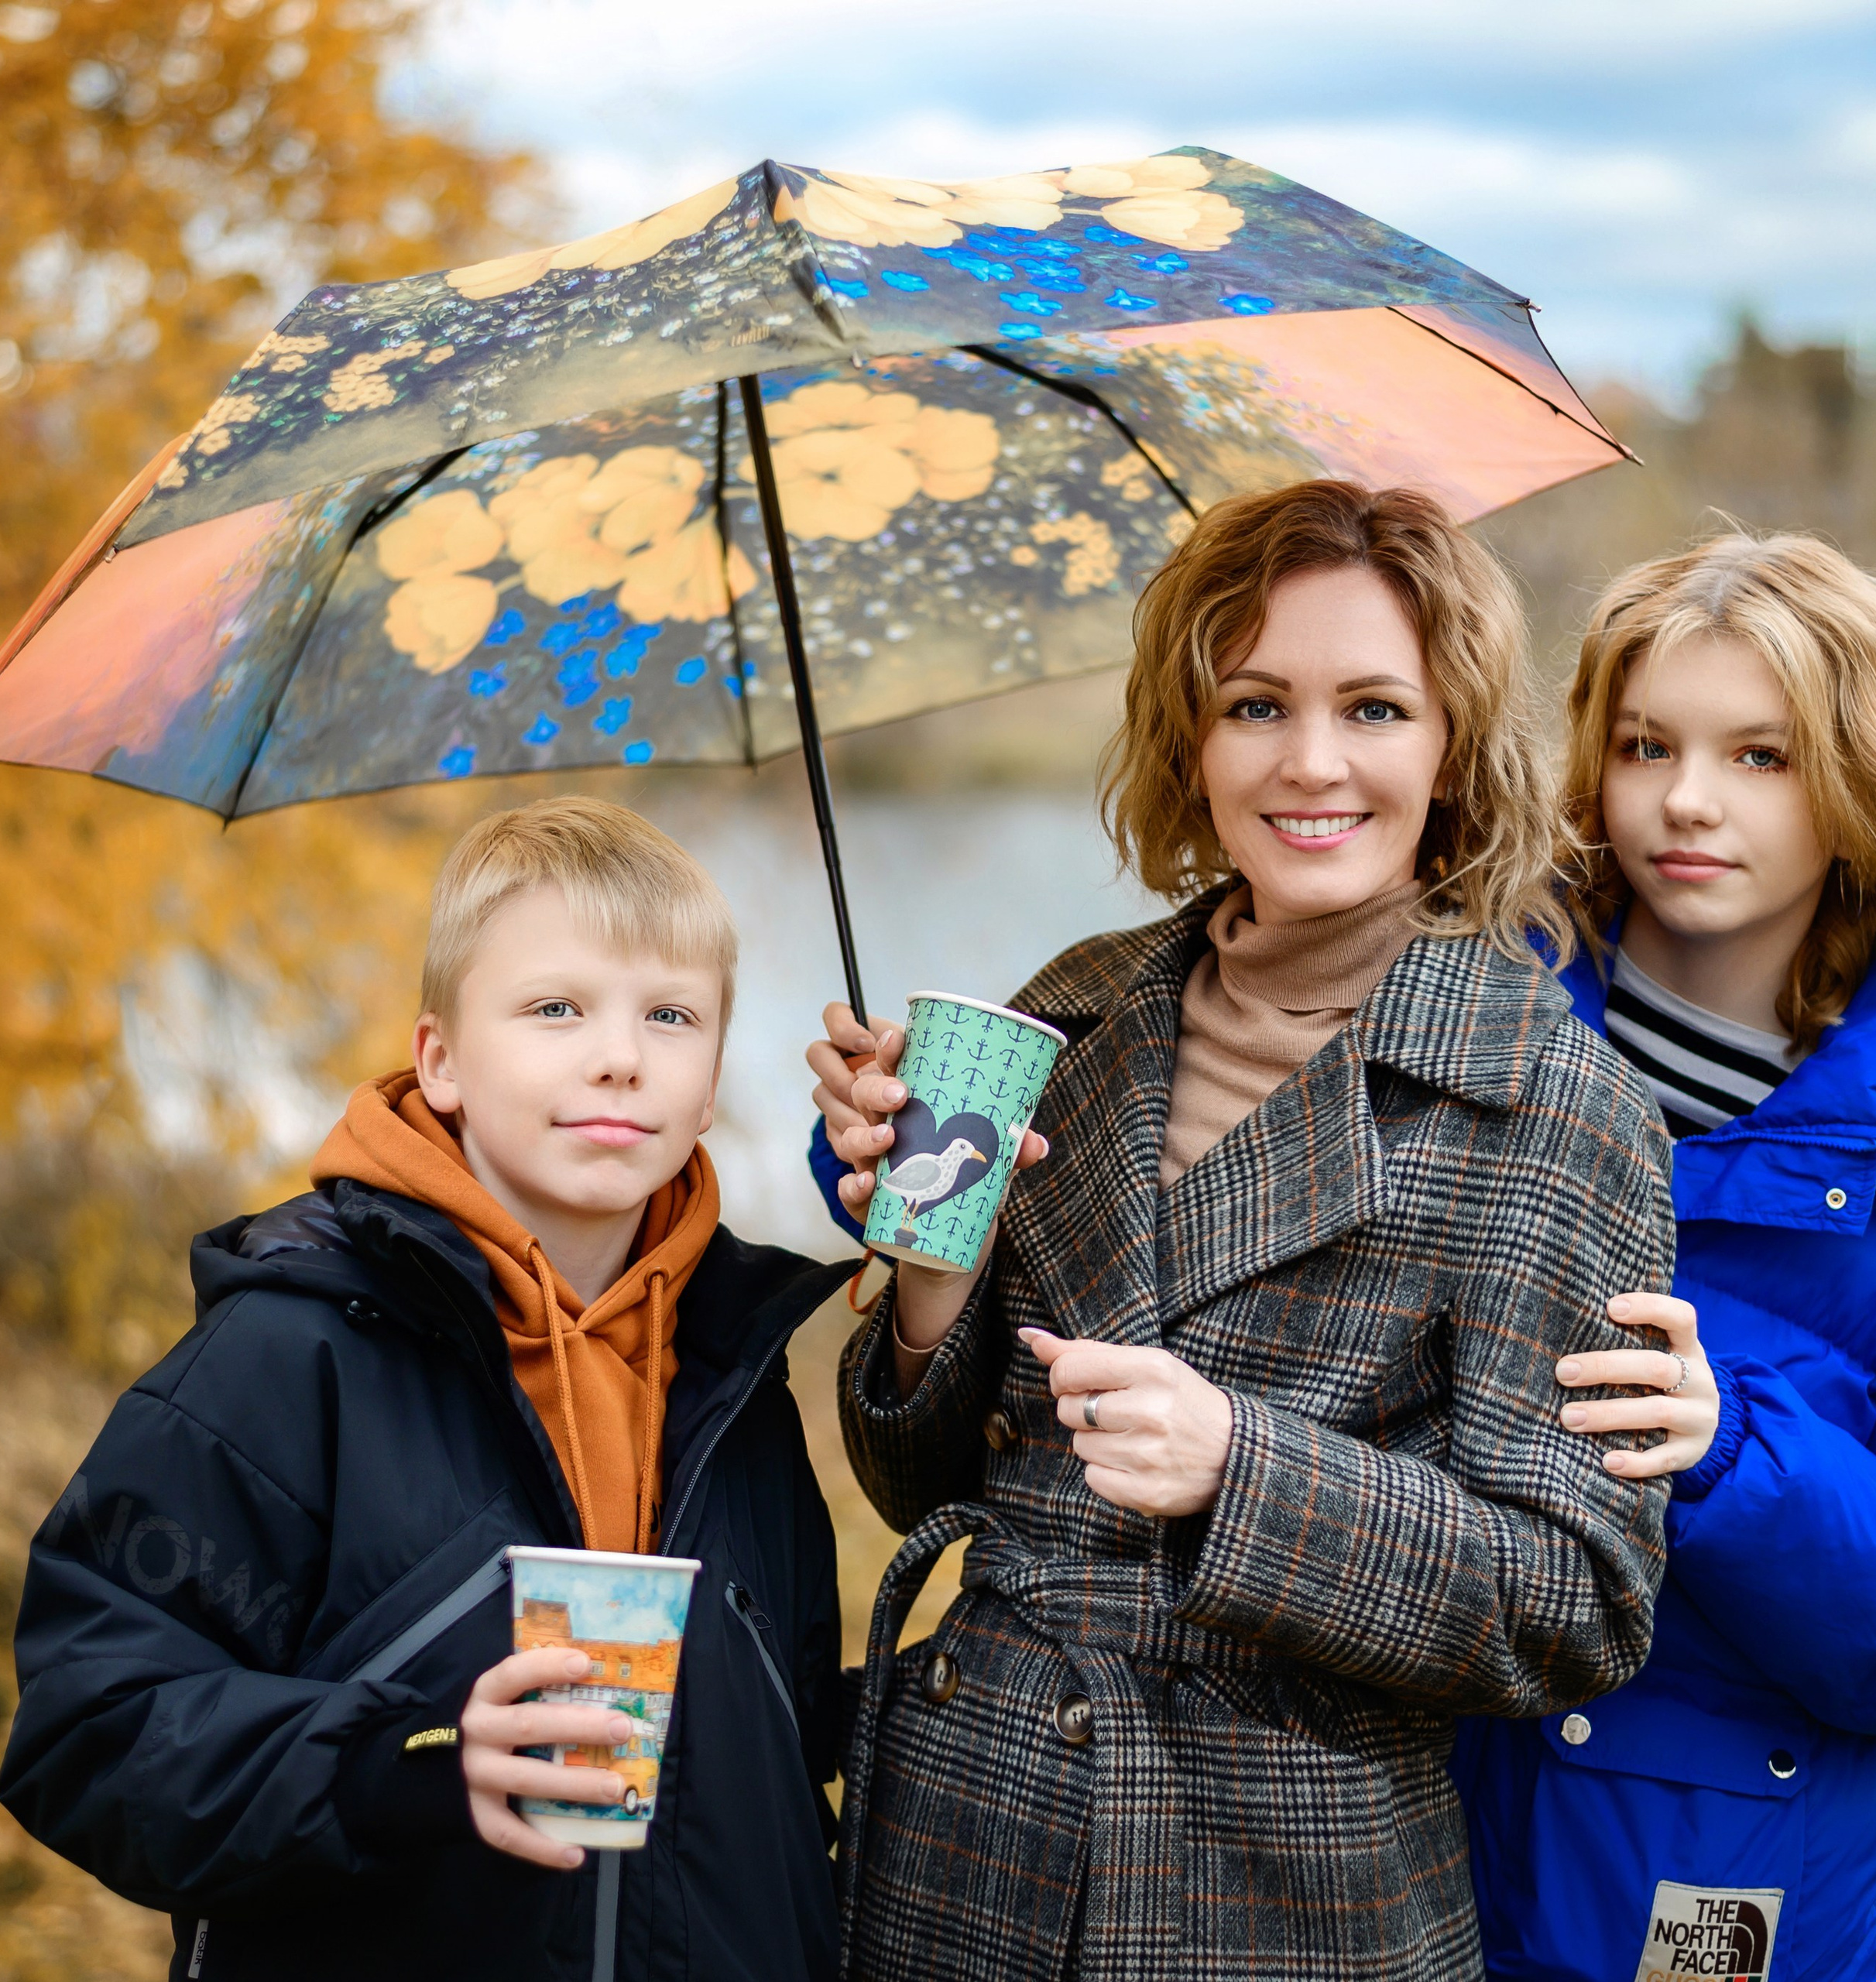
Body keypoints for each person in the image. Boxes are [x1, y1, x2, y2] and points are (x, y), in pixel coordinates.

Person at [808, 479, 1695, 1980]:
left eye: (1370, 708)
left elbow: (1573, 1605)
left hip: (1281, 1888)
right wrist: (931, 1270)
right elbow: (916, 1486)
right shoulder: (1072, 1009)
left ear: (1452, 742)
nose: (1308, 761)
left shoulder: (1548, 1103)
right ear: (1187, 735)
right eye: (1253, 704)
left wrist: (1242, 1470)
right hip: (963, 1851)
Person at [0, 797, 853, 1982]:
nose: (620, 1053)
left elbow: (784, 1748)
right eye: (556, 1008)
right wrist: (403, 1763)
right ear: (439, 1060)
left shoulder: (734, 1375)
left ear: (709, 1087)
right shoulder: (289, 1358)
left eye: (671, 1015)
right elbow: (91, 1732)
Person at [1448, 531, 1876, 1979]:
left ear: (1862, 780)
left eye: (1762, 756)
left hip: (1711, 1910)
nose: (1686, 800)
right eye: (1645, 744)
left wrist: (1730, 1452)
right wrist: (894, 1147)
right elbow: (1170, 1126)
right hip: (1389, 1868)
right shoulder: (1451, 1005)